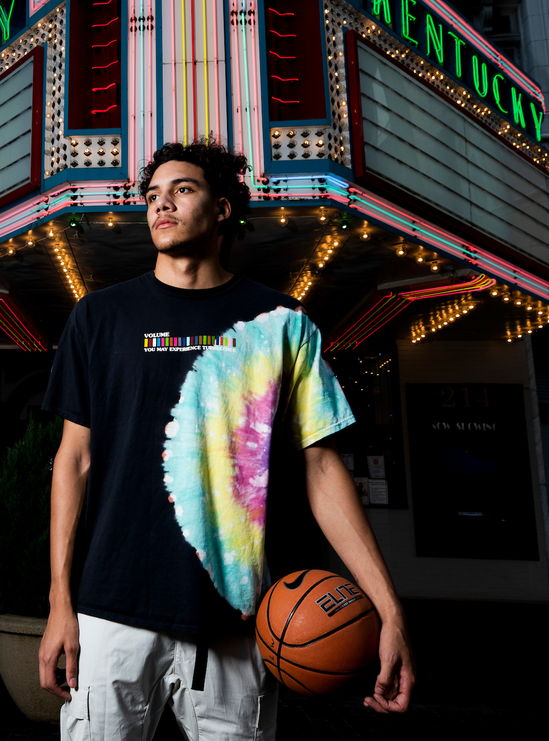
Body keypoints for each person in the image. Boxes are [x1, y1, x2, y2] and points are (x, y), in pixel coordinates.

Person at [38, 140, 416, 740]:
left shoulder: (281, 322)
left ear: (222, 210)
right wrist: (60, 601)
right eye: (153, 195)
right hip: (112, 608)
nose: (161, 204)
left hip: (238, 621)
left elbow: (320, 467)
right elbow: (73, 461)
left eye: (182, 190)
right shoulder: (99, 317)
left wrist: (389, 609)